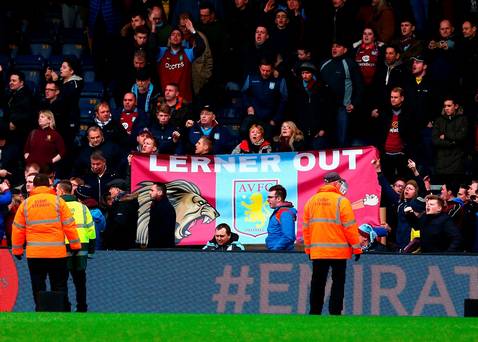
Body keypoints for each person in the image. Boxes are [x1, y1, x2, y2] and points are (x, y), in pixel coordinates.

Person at [11, 173, 81, 311]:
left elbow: (18, 229)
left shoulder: (25, 204)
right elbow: (69, 225)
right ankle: (61, 311)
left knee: (38, 285)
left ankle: (40, 310)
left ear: (34, 186)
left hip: (35, 254)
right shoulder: (58, 202)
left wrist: (17, 250)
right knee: (59, 284)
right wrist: (75, 245)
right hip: (57, 254)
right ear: (49, 185)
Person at [303, 171, 362, 315]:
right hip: (339, 252)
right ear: (336, 183)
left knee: (317, 283)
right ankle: (335, 312)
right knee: (338, 283)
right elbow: (350, 228)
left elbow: (306, 228)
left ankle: (314, 312)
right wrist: (357, 248)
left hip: (318, 252)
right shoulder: (342, 201)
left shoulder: (311, 201)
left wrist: (308, 249)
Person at [56, 180, 96, 312]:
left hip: (63, 245)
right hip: (81, 245)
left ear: (61, 191)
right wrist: (91, 251)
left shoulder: (57, 207)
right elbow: (91, 229)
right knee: (80, 280)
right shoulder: (83, 207)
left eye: (57, 190)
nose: (56, 192)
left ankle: (64, 307)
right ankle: (82, 307)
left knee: (62, 280)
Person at [265, 184, 297, 251]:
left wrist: (275, 250)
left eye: (270, 197)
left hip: (281, 255)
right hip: (278, 253)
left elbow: (289, 237)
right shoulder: (279, 211)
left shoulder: (285, 213)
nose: (267, 200)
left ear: (279, 199)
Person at [148, 182, 176, 248]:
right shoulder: (155, 205)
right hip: (154, 247)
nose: (149, 192)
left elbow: (167, 230)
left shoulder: (167, 208)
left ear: (160, 192)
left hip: (163, 249)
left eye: (152, 190)